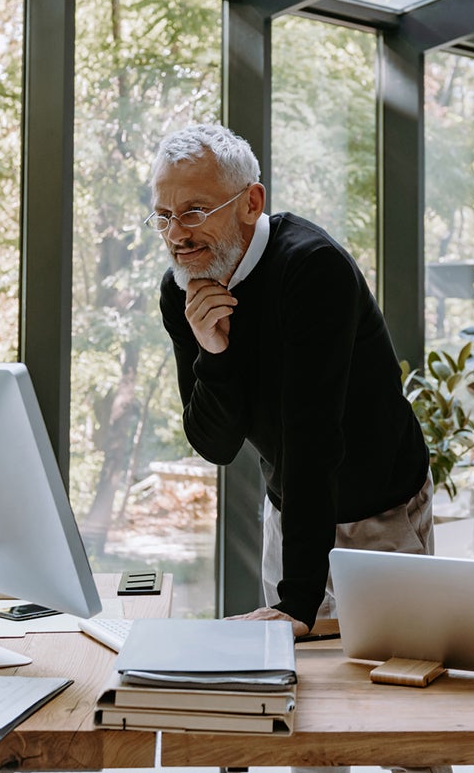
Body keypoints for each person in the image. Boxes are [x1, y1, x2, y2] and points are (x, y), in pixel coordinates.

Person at [149, 123, 435, 636]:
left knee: (391, 688)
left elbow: (313, 436)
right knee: (295, 679)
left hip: (380, 507)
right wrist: (214, 355)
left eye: (193, 212)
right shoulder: (182, 291)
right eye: (164, 216)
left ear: (251, 202)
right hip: (291, 509)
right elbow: (214, 443)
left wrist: (297, 601)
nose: (176, 234)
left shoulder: (312, 268)